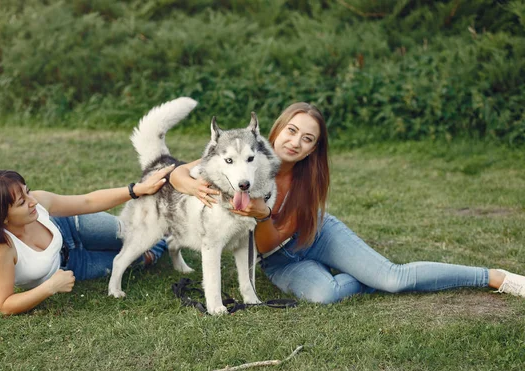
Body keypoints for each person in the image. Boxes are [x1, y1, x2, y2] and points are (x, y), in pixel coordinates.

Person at [170, 102, 525, 304]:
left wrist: (263, 213)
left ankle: (494, 277)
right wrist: (189, 183)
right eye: (292, 131)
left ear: (313, 149)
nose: (296, 143)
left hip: (316, 234)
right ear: (275, 131)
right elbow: (175, 175)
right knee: (326, 294)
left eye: (307, 139)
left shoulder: (305, 182)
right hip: (279, 261)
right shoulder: (239, 154)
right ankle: (364, 275)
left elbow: (266, 232)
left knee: (395, 277)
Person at [0, 166, 174, 315]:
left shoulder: (39, 203)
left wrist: (136, 190)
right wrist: (49, 288)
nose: (33, 201)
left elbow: (88, 201)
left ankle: (165, 229)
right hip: (73, 267)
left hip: (72, 227)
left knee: (134, 235)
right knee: (139, 257)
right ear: (2, 217)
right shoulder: (0, 247)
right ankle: (167, 239)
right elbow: (3, 304)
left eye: (28, 191)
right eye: (22, 202)